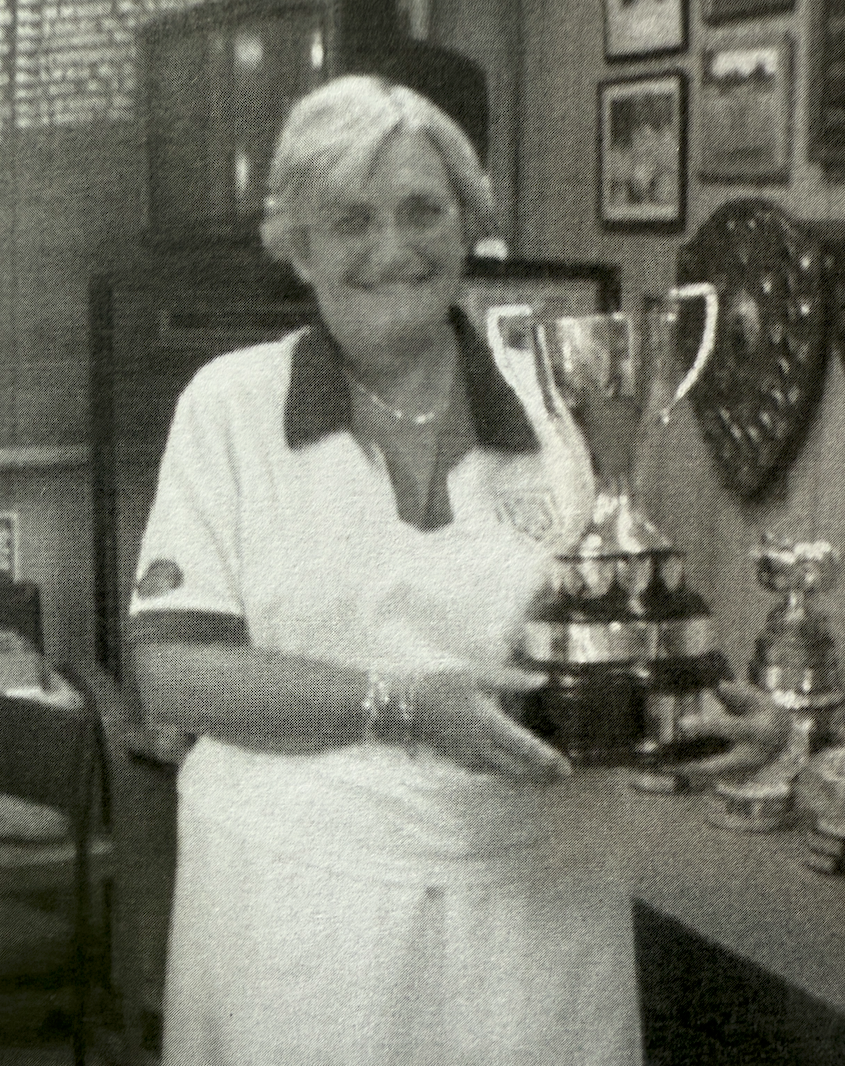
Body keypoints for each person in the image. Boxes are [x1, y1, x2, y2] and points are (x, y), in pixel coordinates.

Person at [129, 74, 643, 1066]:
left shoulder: (558, 400)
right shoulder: (229, 406)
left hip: (539, 913)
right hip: (301, 917)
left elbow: (616, 631)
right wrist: (407, 706)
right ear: (299, 247)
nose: (393, 248)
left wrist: (711, 721)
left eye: (422, 210)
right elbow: (174, 673)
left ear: (469, 224)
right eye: (350, 220)